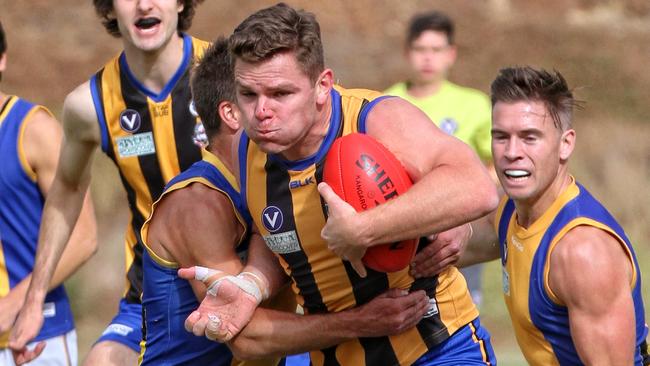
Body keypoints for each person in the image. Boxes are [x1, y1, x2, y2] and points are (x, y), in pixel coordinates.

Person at [186, 3, 499, 365]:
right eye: (248, 95)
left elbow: (476, 186)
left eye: (281, 94)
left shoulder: (374, 119)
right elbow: (272, 230)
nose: (261, 112)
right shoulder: (247, 147)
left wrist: (365, 229)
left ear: (322, 86)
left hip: (436, 346)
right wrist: (252, 283)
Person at [140, 36, 430, 366]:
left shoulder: (282, 180)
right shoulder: (200, 202)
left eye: (283, 94)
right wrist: (362, 322)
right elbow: (245, 338)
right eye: (262, 96)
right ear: (234, 113)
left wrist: (436, 229)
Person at [10, 1, 209, 364]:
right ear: (110, 7)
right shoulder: (90, 104)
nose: (144, 4)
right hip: (151, 296)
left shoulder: (225, 77)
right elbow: (67, 191)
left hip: (235, 284)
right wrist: (34, 300)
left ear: (181, 3)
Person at [460, 66, 649, 365]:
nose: (512, 152)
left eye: (529, 137)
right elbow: (446, 246)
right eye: (500, 137)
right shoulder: (508, 212)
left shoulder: (582, 253)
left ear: (566, 144)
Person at [0, 20, 97, 365]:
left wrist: (13, 304)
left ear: (2, 59)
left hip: (35, 338)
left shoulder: (32, 128)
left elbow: (83, 237)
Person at [384, 10, 494, 306]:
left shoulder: (475, 105)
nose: (428, 58)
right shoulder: (386, 103)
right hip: (405, 230)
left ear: (451, 54)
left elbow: (494, 165)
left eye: (436, 50)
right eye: (421, 50)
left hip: (458, 230)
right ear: (408, 53)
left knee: (463, 310)